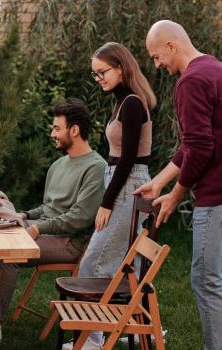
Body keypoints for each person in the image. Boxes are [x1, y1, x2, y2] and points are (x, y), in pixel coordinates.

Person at [138, 20, 222, 350]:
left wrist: (175, 195)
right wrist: (159, 181)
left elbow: (200, 148)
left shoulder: (191, 81)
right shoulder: (216, 69)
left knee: (207, 279)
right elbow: (193, 142)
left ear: (172, 46)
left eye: (156, 57)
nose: (157, 65)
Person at [0, 98, 107, 345]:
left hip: (69, 242)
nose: (52, 133)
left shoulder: (96, 168)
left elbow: (79, 218)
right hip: (46, 231)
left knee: (8, 255)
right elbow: (49, 207)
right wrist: (23, 216)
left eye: (57, 128)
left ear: (74, 130)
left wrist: (36, 228)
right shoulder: (58, 164)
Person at [63, 42, 157, 350]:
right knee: (105, 259)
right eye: (95, 74)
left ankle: (93, 339)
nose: (98, 78)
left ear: (120, 67)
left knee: (94, 260)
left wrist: (106, 203)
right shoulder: (121, 101)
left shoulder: (131, 103)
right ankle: (109, 332)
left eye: (102, 72)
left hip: (128, 182)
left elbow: (128, 158)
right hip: (121, 180)